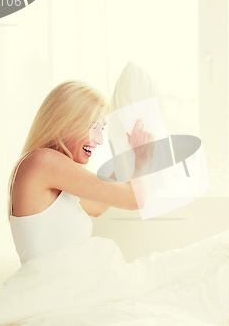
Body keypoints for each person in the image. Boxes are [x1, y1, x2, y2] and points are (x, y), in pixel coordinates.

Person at [8, 80, 154, 264]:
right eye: (93, 127)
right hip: (55, 284)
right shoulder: (43, 161)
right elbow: (135, 199)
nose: (100, 140)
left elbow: (98, 207)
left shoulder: (52, 171)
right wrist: (144, 155)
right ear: (65, 122)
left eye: (102, 128)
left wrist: (129, 153)